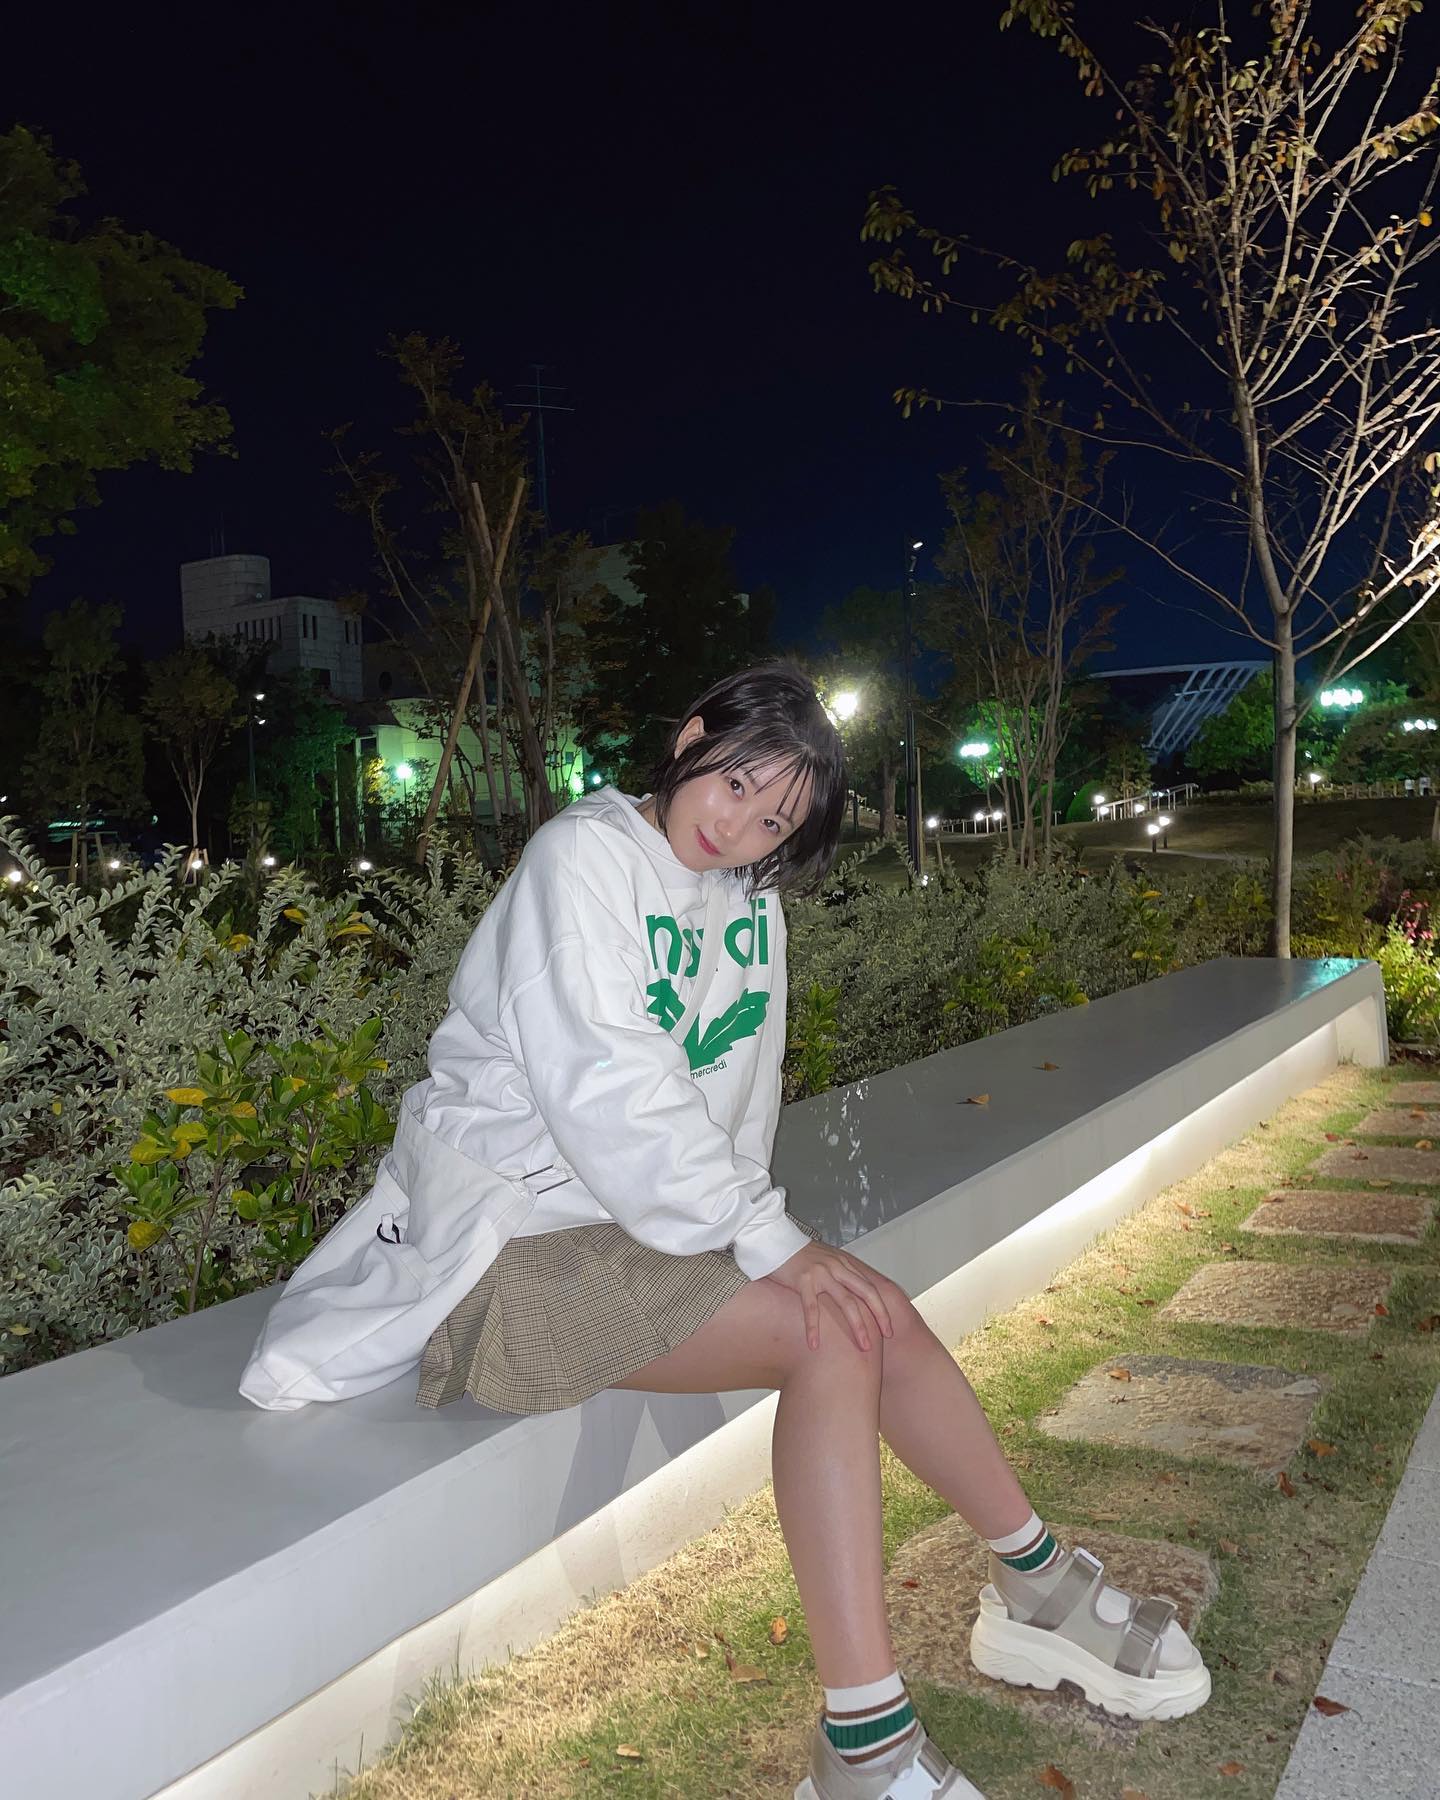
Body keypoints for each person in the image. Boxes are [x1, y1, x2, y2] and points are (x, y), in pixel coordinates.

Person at [410, 662, 1210, 1800]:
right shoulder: (578, 860)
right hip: (507, 1252)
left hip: (635, 1230)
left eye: (775, 819)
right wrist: (765, 1238)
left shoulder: (745, 898)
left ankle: (1036, 1586)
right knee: (829, 1329)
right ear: (691, 737)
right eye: (735, 783)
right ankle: (865, 1743)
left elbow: (738, 1095)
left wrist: (753, 1232)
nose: (738, 826)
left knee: (866, 1306)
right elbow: (610, 1087)